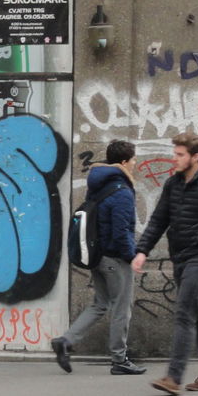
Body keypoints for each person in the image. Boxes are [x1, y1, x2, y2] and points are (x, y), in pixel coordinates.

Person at [132, 133, 198, 396]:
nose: (175, 159)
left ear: (196, 157)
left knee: (184, 312)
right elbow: (159, 220)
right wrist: (142, 251)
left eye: (180, 155)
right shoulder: (173, 184)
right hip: (180, 257)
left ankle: (173, 377)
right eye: (175, 154)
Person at [50, 141, 145, 375]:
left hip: (97, 256)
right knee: (122, 308)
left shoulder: (100, 185)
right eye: (133, 160)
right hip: (115, 258)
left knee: (100, 303)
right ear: (124, 162)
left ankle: (65, 340)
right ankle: (119, 360)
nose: (135, 164)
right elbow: (121, 231)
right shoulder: (122, 192)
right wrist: (131, 256)